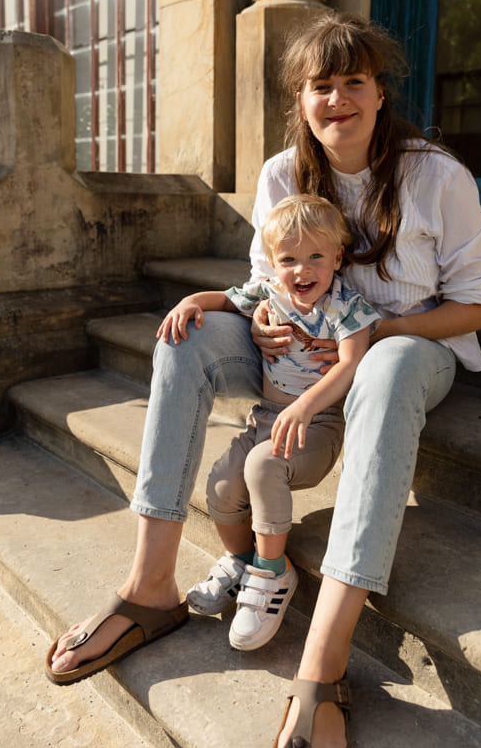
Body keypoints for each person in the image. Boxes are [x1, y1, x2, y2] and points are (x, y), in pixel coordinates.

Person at [46, 12, 481, 748]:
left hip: (405, 357)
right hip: (296, 364)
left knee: (386, 369)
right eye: (319, 86)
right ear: (300, 99)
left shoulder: (435, 175)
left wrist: (380, 336)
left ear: (379, 94)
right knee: (183, 332)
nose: (337, 100)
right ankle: (150, 584)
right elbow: (268, 283)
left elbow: (476, 306)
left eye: (352, 82)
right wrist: (251, 315)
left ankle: (322, 666)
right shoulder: (280, 174)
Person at [156, 194, 378, 651]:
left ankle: (273, 576)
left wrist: (306, 405)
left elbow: (352, 362)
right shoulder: (269, 293)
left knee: (262, 467)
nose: (303, 270)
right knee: (220, 486)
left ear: (338, 257)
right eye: (289, 259)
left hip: (315, 426)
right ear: (273, 263)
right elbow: (221, 298)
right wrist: (188, 302)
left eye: (316, 256)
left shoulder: (346, 307)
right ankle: (241, 560)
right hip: (266, 419)